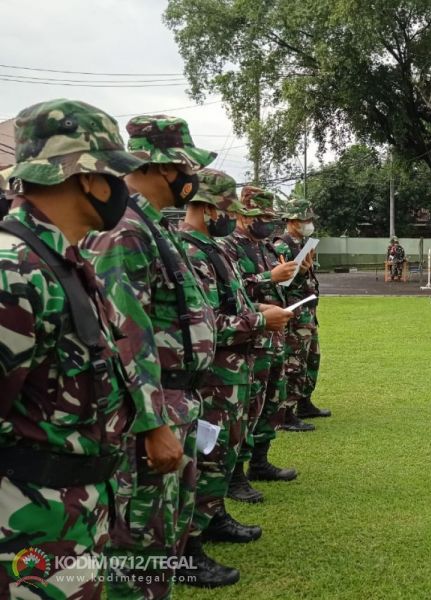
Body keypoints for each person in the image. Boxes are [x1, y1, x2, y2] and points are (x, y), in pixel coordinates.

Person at [0, 99, 171, 598]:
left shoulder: (60, 261)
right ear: (87, 178)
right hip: (29, 529)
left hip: (77, 514)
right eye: (116, 176)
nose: (123, 189)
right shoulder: (15, 271)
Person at [82, 114, 219, 594]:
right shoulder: (126, 230)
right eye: (188, 168)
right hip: (151, 417)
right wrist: (152, 424)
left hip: (174, 405)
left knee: (163, 549)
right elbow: (124, 334)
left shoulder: (149, 224)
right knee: (138, 558)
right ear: (165, 167)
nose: (192, 179)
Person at [178, 169, 293, 585]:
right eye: (230, 209)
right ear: (208, 208)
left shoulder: (211, 248)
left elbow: (234, 300)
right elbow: (204, 323)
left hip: (236, 369)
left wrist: (258, 313)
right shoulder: (188, 252)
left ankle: (213, 519)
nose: (235, 217)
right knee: (206, 457)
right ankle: (187, 550)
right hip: (215, 374)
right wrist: (260, 321)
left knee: (225, 452)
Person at [226, 186, 299, 503]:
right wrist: (270, 276)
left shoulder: (267, 247)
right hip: (248, 337)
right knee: (246, 409)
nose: (267, 223)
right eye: (262, 217)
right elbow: (234, 288)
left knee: (270, 402)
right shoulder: (229, 246)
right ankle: (235, 476)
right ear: (243, 214)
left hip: (274, 336)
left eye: (271, 217)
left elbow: (277, 281)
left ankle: (260, 462)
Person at [274, 198, 331, 424]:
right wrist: (299, 272)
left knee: (311, 359)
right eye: (304, 219)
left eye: (309, 219)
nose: (309, 223)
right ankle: (286, 413)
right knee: (294, 363)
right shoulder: (281, 246)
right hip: (294, 315)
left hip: (307, 313)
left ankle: (304, 403)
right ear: (292, 220)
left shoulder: (302, 244)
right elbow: (279, 283)